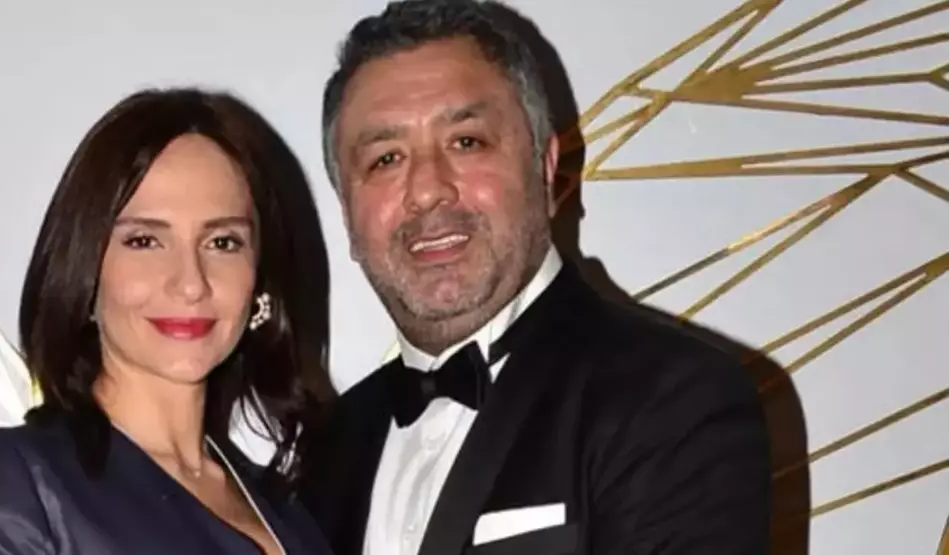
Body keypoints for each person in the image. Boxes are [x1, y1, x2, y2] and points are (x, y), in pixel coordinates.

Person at [297, 1, 772, 554]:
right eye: (385, 159)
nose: (427, 190)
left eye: (466, 142)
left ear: (545, 170)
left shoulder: (674, 400)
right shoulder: (322, 457)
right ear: (348, 216)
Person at [0, 87, 336, 555]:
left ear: (260, 278)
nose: (190, 283)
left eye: (222, 242)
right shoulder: (20, 483)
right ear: (85, 269)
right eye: (144, 241)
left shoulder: (288, 511)